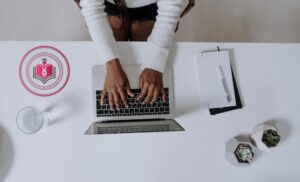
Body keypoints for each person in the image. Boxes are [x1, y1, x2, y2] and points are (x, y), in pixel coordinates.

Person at [80, 0, 184, 111]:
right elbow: (92, 9)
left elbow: (170, 8)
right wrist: (111, 64)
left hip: (151, 6)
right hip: (112, 5)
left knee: (145, 85)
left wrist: (155, 66)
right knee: (114, 84)